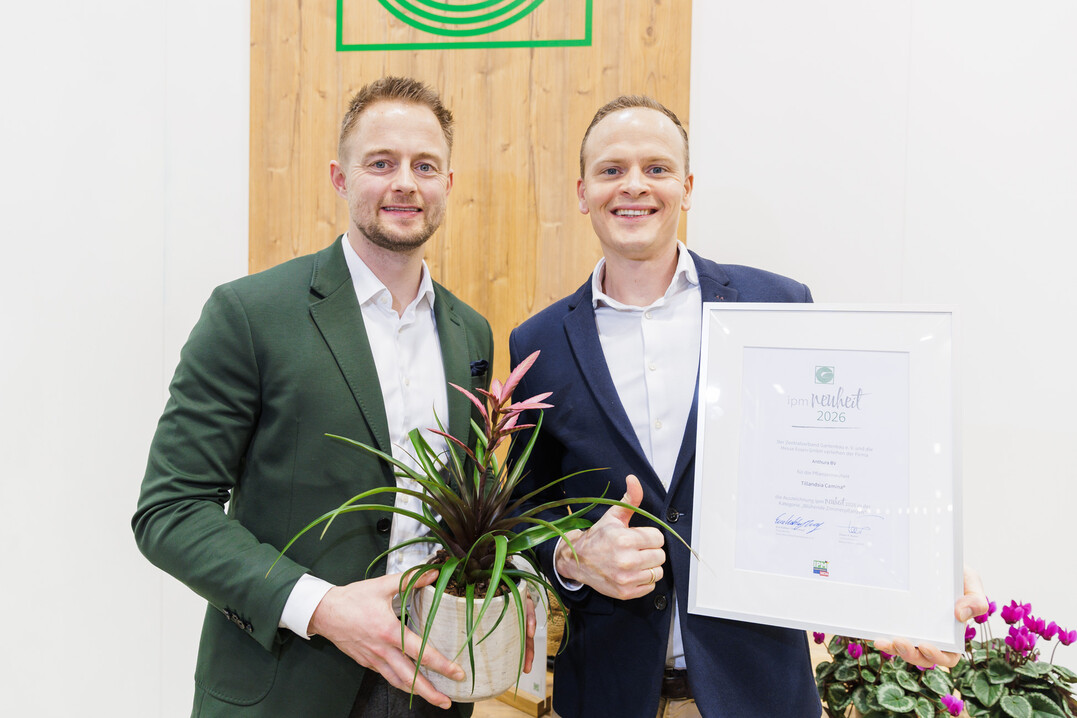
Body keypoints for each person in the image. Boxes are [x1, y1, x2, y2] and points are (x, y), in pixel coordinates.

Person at [507, 96, 988, 718]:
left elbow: (842, 461)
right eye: (611, 170)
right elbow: (524, 512)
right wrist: (573, 558)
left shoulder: (776, 306)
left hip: (757, 689)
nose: (634, 186)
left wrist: (913, 580)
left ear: (686, 186)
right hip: (605, 689)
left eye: (656, 168)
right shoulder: (538, 342)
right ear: (582, 191)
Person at [134, 76, 531, 717]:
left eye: (424, 165)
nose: (405, 182)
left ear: (448, 186)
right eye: (381, 162)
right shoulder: (249, 313)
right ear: (340, 178)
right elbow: (170, 511)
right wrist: (321, 606)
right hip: (286, 684)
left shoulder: (471, 333)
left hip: (431, 686)